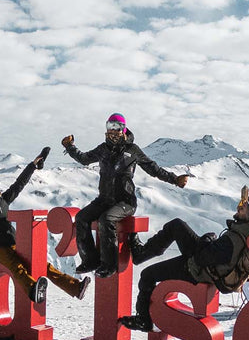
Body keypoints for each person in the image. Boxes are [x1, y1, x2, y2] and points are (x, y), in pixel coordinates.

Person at [118, 186, 249, 332]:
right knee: (177, 226)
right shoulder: (248, 233)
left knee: (148, 273)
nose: (238, 208)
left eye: (242, 208)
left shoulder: (235, 238)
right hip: (208, 269)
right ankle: (140, 256)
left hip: (198, 270)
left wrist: (207, 240)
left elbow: (203, 258)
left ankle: (143, 319)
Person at [0, 148, 90, 302]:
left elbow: (19, 184)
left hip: (14, 243)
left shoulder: (3, 200)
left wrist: (32, 166)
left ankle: (76, 287)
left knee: (44, 265)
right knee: (17, 268)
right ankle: (33, 290)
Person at [62, 113, 190, 279]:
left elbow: (153, 168)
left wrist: (175, 179)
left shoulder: (132, 150)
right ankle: (90, 260)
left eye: (117, 127)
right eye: (110, 126)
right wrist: (70, 146)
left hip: (125, 201)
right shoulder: (103, 149)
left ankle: (109, 265)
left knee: (106, 219)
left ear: (124, 129)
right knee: (81, 218)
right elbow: (84, 159)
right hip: (104, 199)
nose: (113, 130)